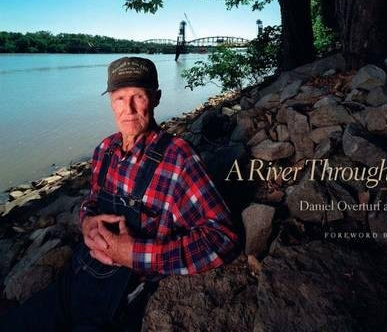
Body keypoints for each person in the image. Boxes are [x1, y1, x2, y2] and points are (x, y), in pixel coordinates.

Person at [0, 57, 239, 331]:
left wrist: (134, 253)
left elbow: (222, 239)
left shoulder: (179, 158)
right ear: (110, 101)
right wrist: (87, 220)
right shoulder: (105, 150)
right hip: (76, 276)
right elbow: (92, 199)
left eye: (139, 96)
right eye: (120, 98)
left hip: (121, 298)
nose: (129, 109)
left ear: (157, 98)